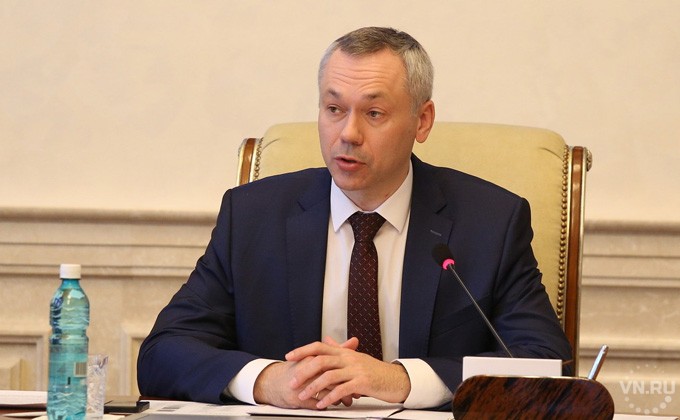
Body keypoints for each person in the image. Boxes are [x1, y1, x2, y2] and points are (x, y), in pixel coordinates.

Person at [137, 26, 572, 410]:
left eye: (373, 113)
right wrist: (269, 381)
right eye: (334, 109)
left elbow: (547, 365)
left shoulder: (490, 222)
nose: (347, 133)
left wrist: (400, 379)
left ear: (422, 121)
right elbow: (163, 353)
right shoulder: (252, 216)